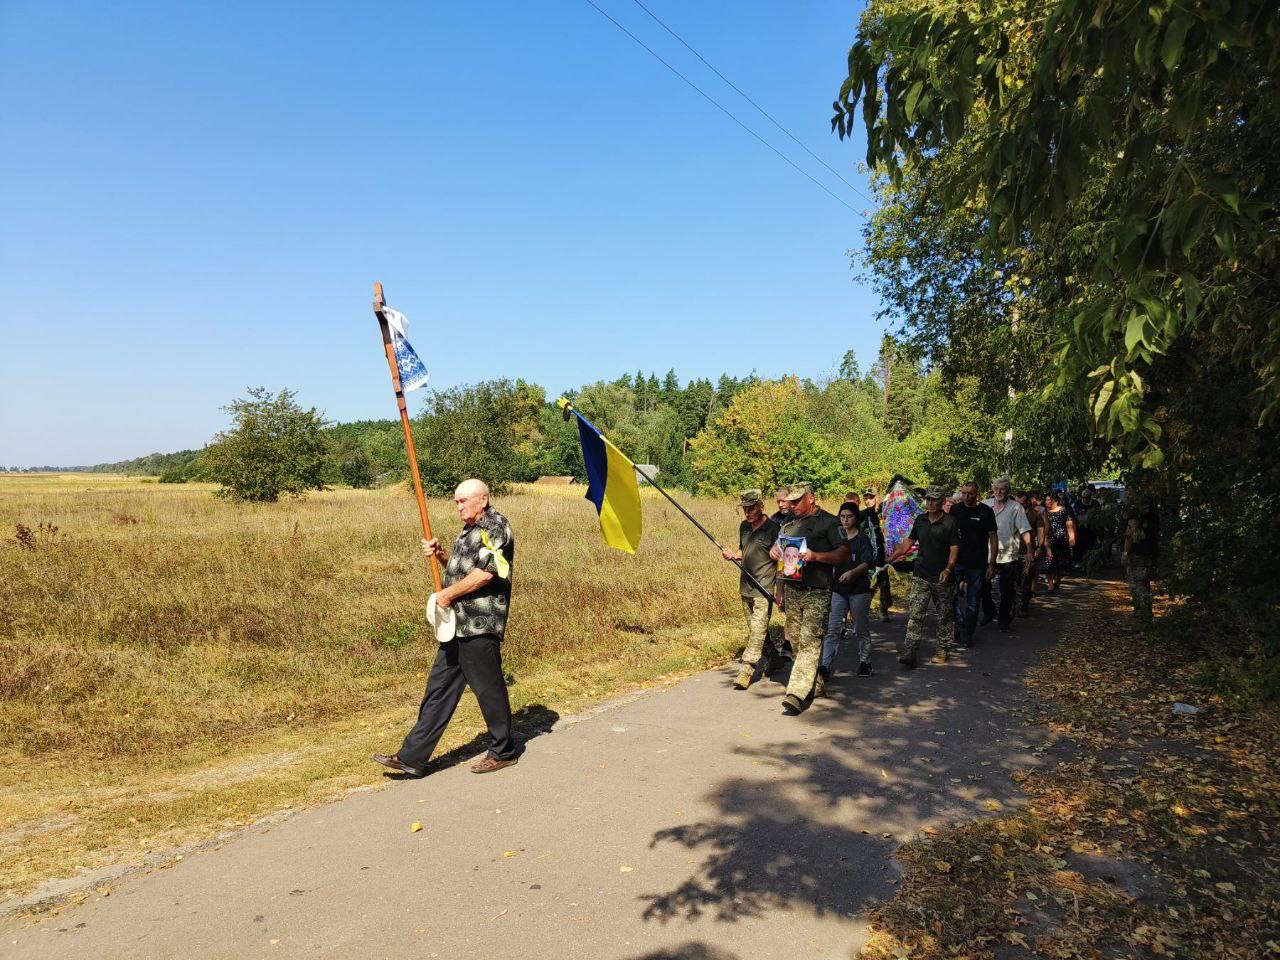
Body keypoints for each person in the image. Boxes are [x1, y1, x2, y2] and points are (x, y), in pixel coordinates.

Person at [374, 479, 519, 777]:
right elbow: (459, 571)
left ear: (483, 499)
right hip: (457, 624)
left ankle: (503, 751)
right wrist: (441, 553)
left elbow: (486, 575)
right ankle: (412, 757)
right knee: (438, 690)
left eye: (463, 501)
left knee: (488, 689)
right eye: (456, 501)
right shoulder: (468, 530)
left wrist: (446, 595)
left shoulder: (496, 527)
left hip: (480, 623)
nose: (458, 506)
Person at [768, 483, 850, 715]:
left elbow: (844, 553)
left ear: (811, 498)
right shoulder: (788, 524)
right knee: (794, 641)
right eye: (790, 502)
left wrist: (816, 556)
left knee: (809, 640)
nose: (791, 506)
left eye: (796, 501)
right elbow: (780, 553)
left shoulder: (829, 522)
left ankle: (795, 693)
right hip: (793, 589)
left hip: (818, 590)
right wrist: (774, 554)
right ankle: (815, 683)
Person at [887, 485, 960, 667]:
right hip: (921, 574)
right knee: (916, 614)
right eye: (928, 499)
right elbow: (907, 544)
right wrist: (890, 558)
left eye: (935, 499)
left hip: (942, 577)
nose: (930, 503)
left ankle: (943, 648)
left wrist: (948, 569)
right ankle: (911, 650)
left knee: (944, 615)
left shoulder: (951, 522)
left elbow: (954, 548)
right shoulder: (920, 520)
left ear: (943, 501)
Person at [725, 490, 782, 690]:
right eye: (745, 510)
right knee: (757, 631)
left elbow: (782, 560)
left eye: (751, 509)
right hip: (745, 587)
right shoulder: (744, 527)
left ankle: (746, 669)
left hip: (764, 588)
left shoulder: (774, 529)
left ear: (761, 507)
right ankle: (775, 658)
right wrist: (733, 555)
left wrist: (780, 588)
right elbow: (743, 550)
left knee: (757, 631)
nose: (748, 513)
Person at [819, 502, 876, 694]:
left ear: (855, 518)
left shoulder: (862, 539)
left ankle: (865, 662)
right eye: (842, 516)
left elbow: (868, 562)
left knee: (860, 628)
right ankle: (825, 666)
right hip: (838, 590)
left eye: (849, 516)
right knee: (833, 628)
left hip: (859, 590)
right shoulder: (836, 539)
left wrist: (852, 573)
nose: (845, 520)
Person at [949, 481, 998, 647]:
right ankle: (959, 624)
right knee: (952, 596)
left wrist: (992, 563)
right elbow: (949, 535)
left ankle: (967, 633)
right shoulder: (955, 510)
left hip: (977, 563)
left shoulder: (986, 511)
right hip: (957, 561)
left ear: (977, 494)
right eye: (963, 493)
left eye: (970, 493)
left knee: (973, 600)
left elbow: (993, 537)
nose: (966, 497)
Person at [984, 478, 1033, 631]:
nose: (998, 492)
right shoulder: (985, 505)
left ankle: (1003, 620)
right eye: (996, 488)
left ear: (1008, 491)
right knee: (981, 586)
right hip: (986, 553)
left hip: (1008, 554)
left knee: (1007, 590)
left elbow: (1025, 529)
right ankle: (989, 610)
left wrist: (1030, 550)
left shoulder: (1016, 507)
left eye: (1002, 489)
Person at [1121, 502, 1160, 622]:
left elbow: (1129, 536)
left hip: (1138, 556)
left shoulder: (1136, 518)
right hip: (1147, 555)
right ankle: (1143, 613)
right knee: (1143, 585)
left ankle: (1142, 613)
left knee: (1137, 586)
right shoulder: (1153, 517)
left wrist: (1125, 554)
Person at [862, 487, 892, 621]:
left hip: (883, 555)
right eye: (866, 498)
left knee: (884, 585)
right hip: (869, 557)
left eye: (871, 497)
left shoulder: (883, 513)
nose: (868, 500)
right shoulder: (862, 515)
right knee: (869, 586)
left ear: (876, 498)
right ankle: (863, 612)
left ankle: (883, 610)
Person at [1042, 490, 1077, 592]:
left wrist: (1072, 537)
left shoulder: (1063, 510)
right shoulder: (1043, 512)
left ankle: (1058, 578)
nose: (1048, 502)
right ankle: (1050, 584)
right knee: (1048, 562)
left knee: (1060, 562)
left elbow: (1069, 525)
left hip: (1062, 539)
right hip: (1048, 538)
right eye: (1047, 500)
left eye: (1050, 500)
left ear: (1056, 501)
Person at [1072, 484, 1099, 565]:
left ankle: (1090, 562)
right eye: (1083, 497)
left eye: (1087, 497)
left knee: (1090, 545)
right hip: (1080, 528)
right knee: (1079, 545)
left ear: (1090, 496)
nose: (1085, 499)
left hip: (1091, 528)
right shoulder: (1077, 503)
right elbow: (1076, 513)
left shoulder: (1095, 503)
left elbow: (1097, 514)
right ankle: (1078, 561)